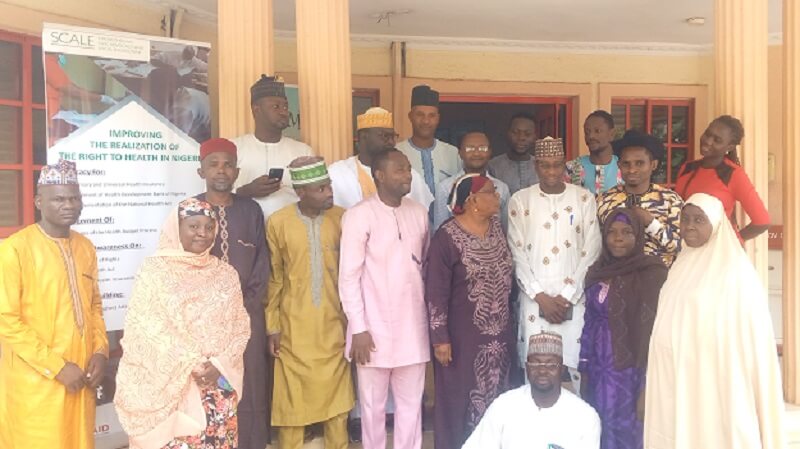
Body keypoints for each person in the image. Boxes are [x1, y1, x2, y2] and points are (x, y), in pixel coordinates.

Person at [644, 193, 785, 449]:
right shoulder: (682, 263)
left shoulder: (736, 273)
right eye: (685, 219)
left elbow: (747, 338)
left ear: (717, 224)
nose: (689, 227)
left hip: (718, 381)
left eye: (699, 220)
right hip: (680, 377)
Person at [115, 198, 251, 449]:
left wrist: (219, 363)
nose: (202, 233)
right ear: (176, 229)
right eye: (193, 226)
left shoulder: (226, 274)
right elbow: (146, 329)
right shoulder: (154, 271)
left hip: (218, 382)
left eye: (209, 227)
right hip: (170, 387)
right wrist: (193, 363)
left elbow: (239, 326)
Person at [0, 159, 109, 449]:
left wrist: (100, 351)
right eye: (59, 198)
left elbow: (94, 306)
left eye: (75, 198)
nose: (69, 205)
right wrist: (56, 367)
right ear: (38, 201)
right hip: (37, 383)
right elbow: (6, 320)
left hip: (80, 379)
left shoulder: (85, 247)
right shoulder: (15, 249)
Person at [339, 149, 430, 449]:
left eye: (408, 169)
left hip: (412, 329)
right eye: (400, 170)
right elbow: (349, 277)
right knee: (372, 410)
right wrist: (359, 329)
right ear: (379, 174)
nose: (407, 175)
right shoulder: (358, 215)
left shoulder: (418, 212)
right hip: (371, 332)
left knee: (410, 409)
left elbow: (424, 264)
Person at [266, 157, 355, 449]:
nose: (329, 192)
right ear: (301, 192)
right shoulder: (278, 222)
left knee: (337, 408)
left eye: (328, 185)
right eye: (321, 188)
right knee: (293, 406)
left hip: (334, 327)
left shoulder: (344, 219)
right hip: (293, 330)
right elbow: (275, 277)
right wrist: (272, 326)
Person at [425, 174, 515, 449]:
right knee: (459, 397)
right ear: (473, 200)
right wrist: (440, 338)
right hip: (462, 337)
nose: (498, 197)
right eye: (491, 192)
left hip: (500, 335)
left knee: (500, 396)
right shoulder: (446, 237)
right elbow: (435, 291)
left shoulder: (497, 228)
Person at [193, 138, 271, 449]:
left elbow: (262, 264)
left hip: (247, 319)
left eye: (227, 165)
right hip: (203, 323)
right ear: (201, 171)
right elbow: (180, 266)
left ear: (237, 172)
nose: (221, 171)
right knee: (208, 387)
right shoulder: (190, 211)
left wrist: (243, 308)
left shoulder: (251, 210)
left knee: (249, 386)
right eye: (213, 164)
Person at [507, 137, 601, 392]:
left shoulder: (584, 199)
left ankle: (574, 429)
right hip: (534, 298)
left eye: (557, 165)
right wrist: (540, 297)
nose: (551, 172)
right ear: (536, 166)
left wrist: (567, 296)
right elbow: (516, 252)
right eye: (545, 165)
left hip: (573, 298)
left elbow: (591, 249)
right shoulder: (520, 200)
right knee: (536, 366)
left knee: (573, 367)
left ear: (564, 167)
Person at [579, 209, 668, 449]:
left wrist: (647, 385)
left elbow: (656, 334)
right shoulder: (597, 271)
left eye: (627, 232)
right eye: (612, 232)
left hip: (631, 374)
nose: (618, 238)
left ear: (638, 236)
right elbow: (589, 322)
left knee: (629, 432)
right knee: (597, 427)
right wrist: (584, 367)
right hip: (598, 372)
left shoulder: (652, 273)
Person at [463, 331, 601, 449]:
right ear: (527, 368)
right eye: (535, 363)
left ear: (562, 369)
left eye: (551, 364)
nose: (542, 370)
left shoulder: (584, 417)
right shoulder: (504, 406)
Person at [674, 115, 770, 242]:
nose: (708, 141)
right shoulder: (688, 168)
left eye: (717, 140)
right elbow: (676, 210)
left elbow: (762, 221)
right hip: (688, 247)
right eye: (707, 134)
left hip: (718, 253)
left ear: (729, 147)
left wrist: (733, 241)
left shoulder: (733, 174)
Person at [596, 131, 683, 267]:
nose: (632, 170)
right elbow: (595, 245)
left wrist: (651, 223)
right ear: (619, 165)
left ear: (653, 165)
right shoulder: (604, 200)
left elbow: (682, 246)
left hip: (661, 280)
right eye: (626, 164)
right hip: (617, 279)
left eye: (639, 163)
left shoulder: (671, 201)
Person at [232, 75, 313, 219]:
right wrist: (246, 191)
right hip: (245, 231)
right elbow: (214, 196)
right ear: (256, 110)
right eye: (275, 106)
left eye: (285, 106)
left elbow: (315, 196)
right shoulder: (234, 149)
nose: (283, 112)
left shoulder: (303, 152)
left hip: (290, 233)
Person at [329, 107, 433, 210]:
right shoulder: (338, 173)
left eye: (393, 136)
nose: (391, 142)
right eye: (385, 136)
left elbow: (426, 213)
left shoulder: (408, 174)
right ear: (364, 137)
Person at [432, 131, 511, 231]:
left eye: (482, 148)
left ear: (490, 152)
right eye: (470, 148)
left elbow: (506, 229)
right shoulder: (446, 187)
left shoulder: (502, 188)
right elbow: (440, 229)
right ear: (460, 153)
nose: (476, 153)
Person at [396, 85, 461, 194]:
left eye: (431, 115)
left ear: (438, 118)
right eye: (420, 115)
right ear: (410, 116)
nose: (426, 121)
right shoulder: (397, 152)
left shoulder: (452, 153)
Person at [566, 110, 622, 194]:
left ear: (611, 134)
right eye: (587, 132)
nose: (591, 136)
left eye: (597, 131)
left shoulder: (624, 167)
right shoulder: (571, 168)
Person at [487, 112, 539, 195]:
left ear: (535, 137)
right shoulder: (493, 166)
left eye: (527, 134)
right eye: (515, 132)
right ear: (507, 134)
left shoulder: (542, 166)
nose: (521, 138)